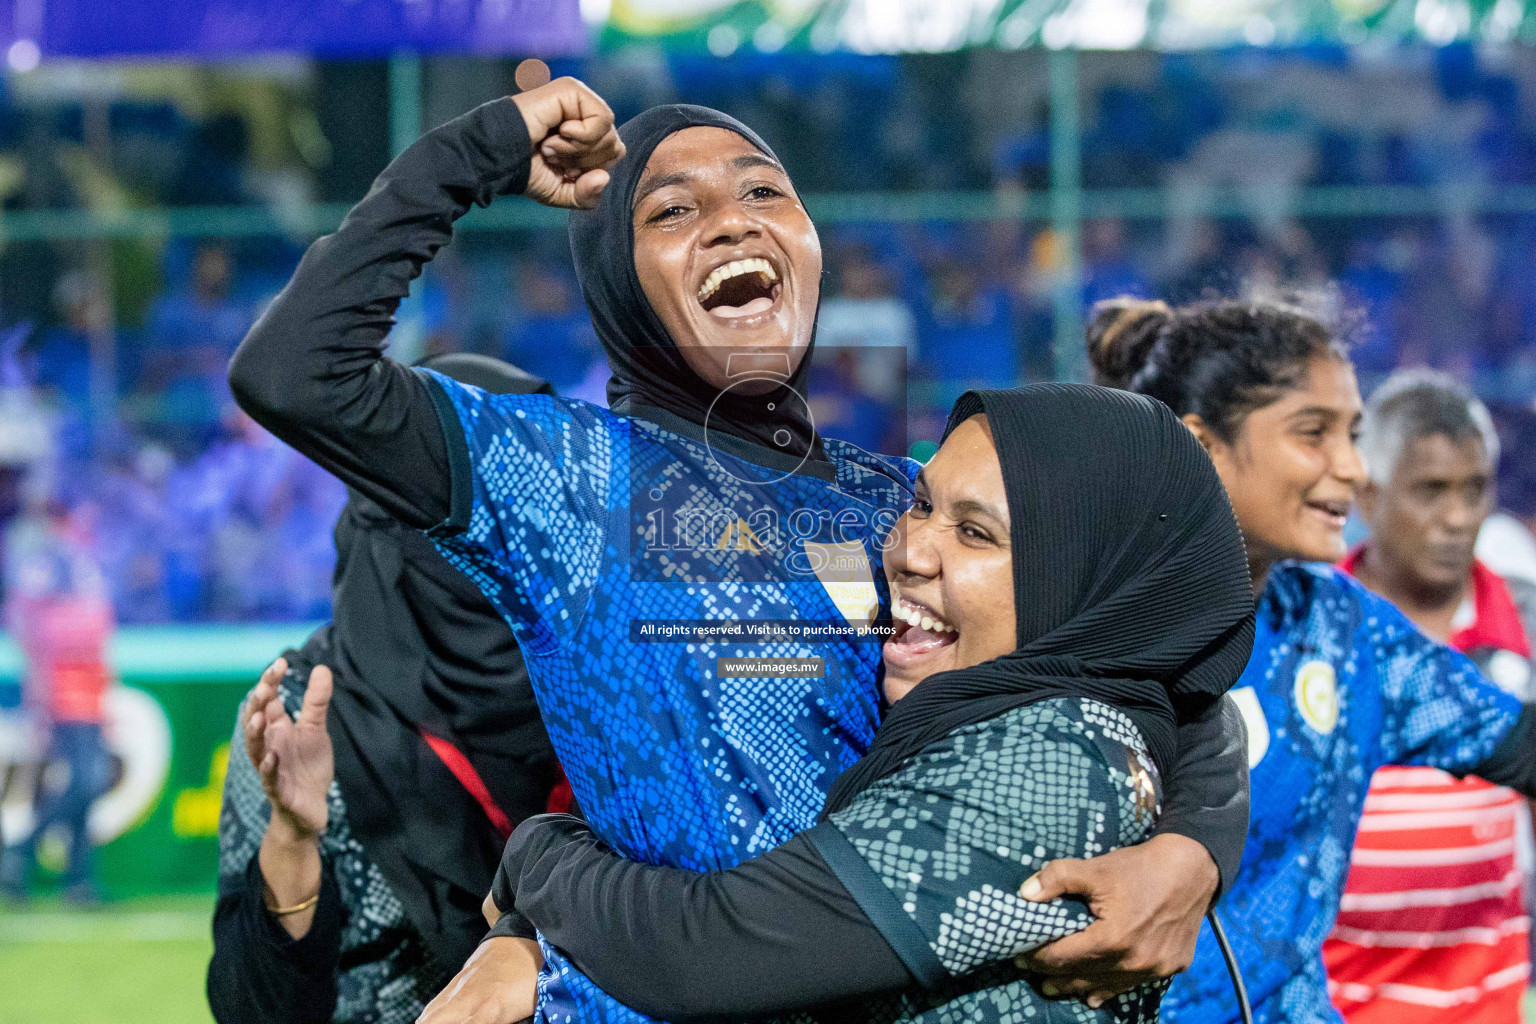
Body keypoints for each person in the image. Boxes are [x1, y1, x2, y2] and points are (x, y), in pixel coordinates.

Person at [228, 77, 1248, 1022]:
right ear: (621, 285)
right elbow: (294, 372)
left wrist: (1191, 850)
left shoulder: (897, 500)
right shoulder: (563, 478)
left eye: (765, 190)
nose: (731, 220)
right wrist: (481, 149)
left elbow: (1148, 657)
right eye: (671, 210)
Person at [464, 383, 1255, 1024]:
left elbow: (710, 951)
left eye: (977, 534)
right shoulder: (1032, 699)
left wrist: (540, 858)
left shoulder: (1051, 763)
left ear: (1087, 584)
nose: (909, 551)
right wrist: (1200, 842)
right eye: (920, 502)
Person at [1092, 299, 1536, 1024]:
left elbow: (1518, 744)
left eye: (1354, 435)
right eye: (1314, 434)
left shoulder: (1342, 627)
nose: (1353, 468)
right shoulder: (1088, 620)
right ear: (1203, 444)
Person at [206, 354, 566, 1024]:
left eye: (519, 501)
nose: (490, 540)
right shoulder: (309, 711)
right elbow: (252, 1012)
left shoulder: (605, 689)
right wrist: (291, 839)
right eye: (450, 503)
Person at [1324, 370, 1533, 1024]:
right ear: (1369, 495)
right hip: (1329, 1001)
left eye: (1474, 490)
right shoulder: (1309, 630)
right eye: (1431, 491)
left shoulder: (1525, 625)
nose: (1458, 518)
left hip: (1492, 1001)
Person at [0, 499, 115, 904]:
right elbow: (32, 626)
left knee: (89, 780)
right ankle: (19, 854)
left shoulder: (82, 564)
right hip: (64, 687)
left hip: (88, 686)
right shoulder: (51, 562)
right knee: (85, 780)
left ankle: (77, 878)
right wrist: (41, 688)